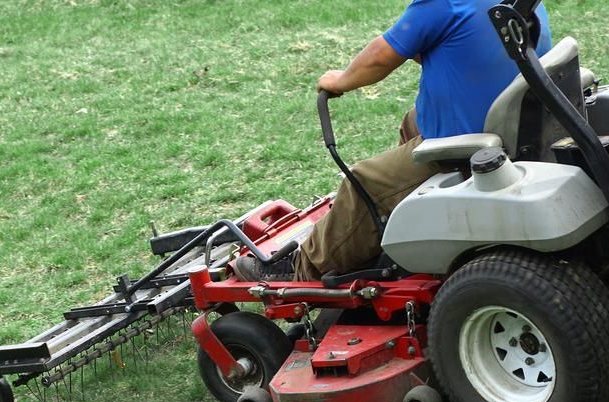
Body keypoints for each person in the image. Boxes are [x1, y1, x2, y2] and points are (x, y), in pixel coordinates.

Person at [235, 0, 552, 282]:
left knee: (365, 181)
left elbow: (378, 58)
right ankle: (409, 217)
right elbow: (466, 45)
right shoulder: (520, 2)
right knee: (412, 120)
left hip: (471, 144)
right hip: (520, 123)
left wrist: (340, 79)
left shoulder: (444, 4)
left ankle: (304, 267)